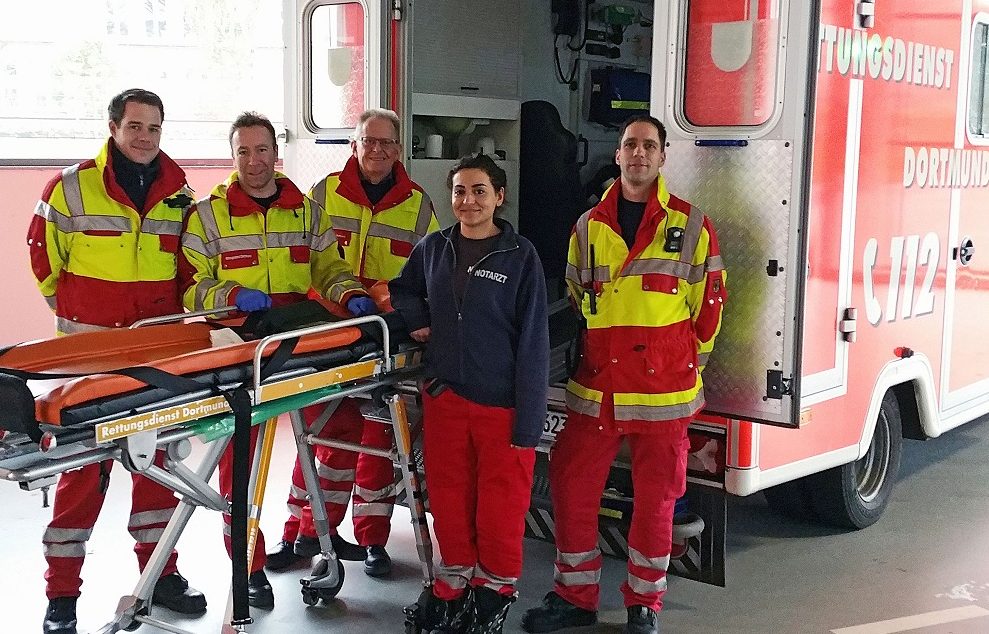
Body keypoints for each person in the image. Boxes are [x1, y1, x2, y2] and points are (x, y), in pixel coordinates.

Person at [520, 115, 727, 634]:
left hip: (664, 395)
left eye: (648, 146)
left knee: (656, 503)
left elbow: (709, 310)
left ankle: (644, 605)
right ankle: (575, 596)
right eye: (630, 144)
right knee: (571, 489)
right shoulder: (588, 227)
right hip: (598, 390)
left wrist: (684, 366)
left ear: (662, 157)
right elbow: (577, 297)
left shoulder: (692, 226)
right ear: (617, 155)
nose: (638, 154)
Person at [26, 88, 207, 634]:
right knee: (80, 472)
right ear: (112, 127)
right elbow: (42, 257)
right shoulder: (70, 186)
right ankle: (61, 598)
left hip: (155, 358)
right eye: (134, 126)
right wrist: (80, 317)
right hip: (88, 360)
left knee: (157, 468)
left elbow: (189, 269)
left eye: (153, 127)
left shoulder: (180, 192)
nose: (144, 137)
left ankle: (159, 577)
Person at [178, 111, 373, 609]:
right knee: (239, 468)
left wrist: (350, 295)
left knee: (324, 441)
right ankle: (250, 567)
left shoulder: (304, 211)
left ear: (275, 153)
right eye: (243, 151)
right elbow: (189, 288)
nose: (253, 161)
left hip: (294, 347)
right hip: (238, 350)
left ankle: (315, 539)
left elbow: (329, 267)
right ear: (233, 155)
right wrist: (232, 294)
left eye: (261, 150)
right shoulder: (207, 215)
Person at [264, 108, 438, 578]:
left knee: (382, 441)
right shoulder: (321, 195)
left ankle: (373, 541)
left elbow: (429, 277)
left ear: (398, 149)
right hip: (330, 333)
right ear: (354, 144)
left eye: (386, 142)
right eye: (369, 141)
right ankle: (301, 532)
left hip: (385, 339)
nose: (377, 150)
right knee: (324, 438)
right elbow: (303, 263)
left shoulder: (419, 205)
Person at [390, 154, 549, 633]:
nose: (468, 200)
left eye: (479, 191)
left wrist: (529, 421)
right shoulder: (435, 247)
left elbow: (533, 340)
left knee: (499, 509)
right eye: (460, 191)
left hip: (502, 405)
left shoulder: (520, 256)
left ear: (499, 197)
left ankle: (493, 595)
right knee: (451, 502)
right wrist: (417, 321)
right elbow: (404, 289)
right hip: (446, 398)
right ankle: (452, 589)